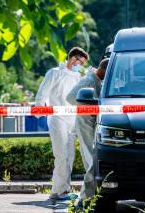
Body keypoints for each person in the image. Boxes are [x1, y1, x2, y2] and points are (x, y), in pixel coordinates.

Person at [35, 47, 89, 200]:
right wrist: (39, 109)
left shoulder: (78, 76)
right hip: (57, 118)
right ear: (73, 59)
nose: (81, 66)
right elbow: (42, 92)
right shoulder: (54, 73)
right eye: (81, 62)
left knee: (70, 156)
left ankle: (63, 190)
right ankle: (57, 191)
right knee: (61, 155)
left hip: (73, 120)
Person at [66, 58, 109, 206]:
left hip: (91, 122)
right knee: (91, 160)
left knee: (92, 159)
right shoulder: (89, 80)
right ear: (104, 70)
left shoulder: (97, 80)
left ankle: (89, 196)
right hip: (85, 123)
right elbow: (70, 97)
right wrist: (87, 108)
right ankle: (84, 198)